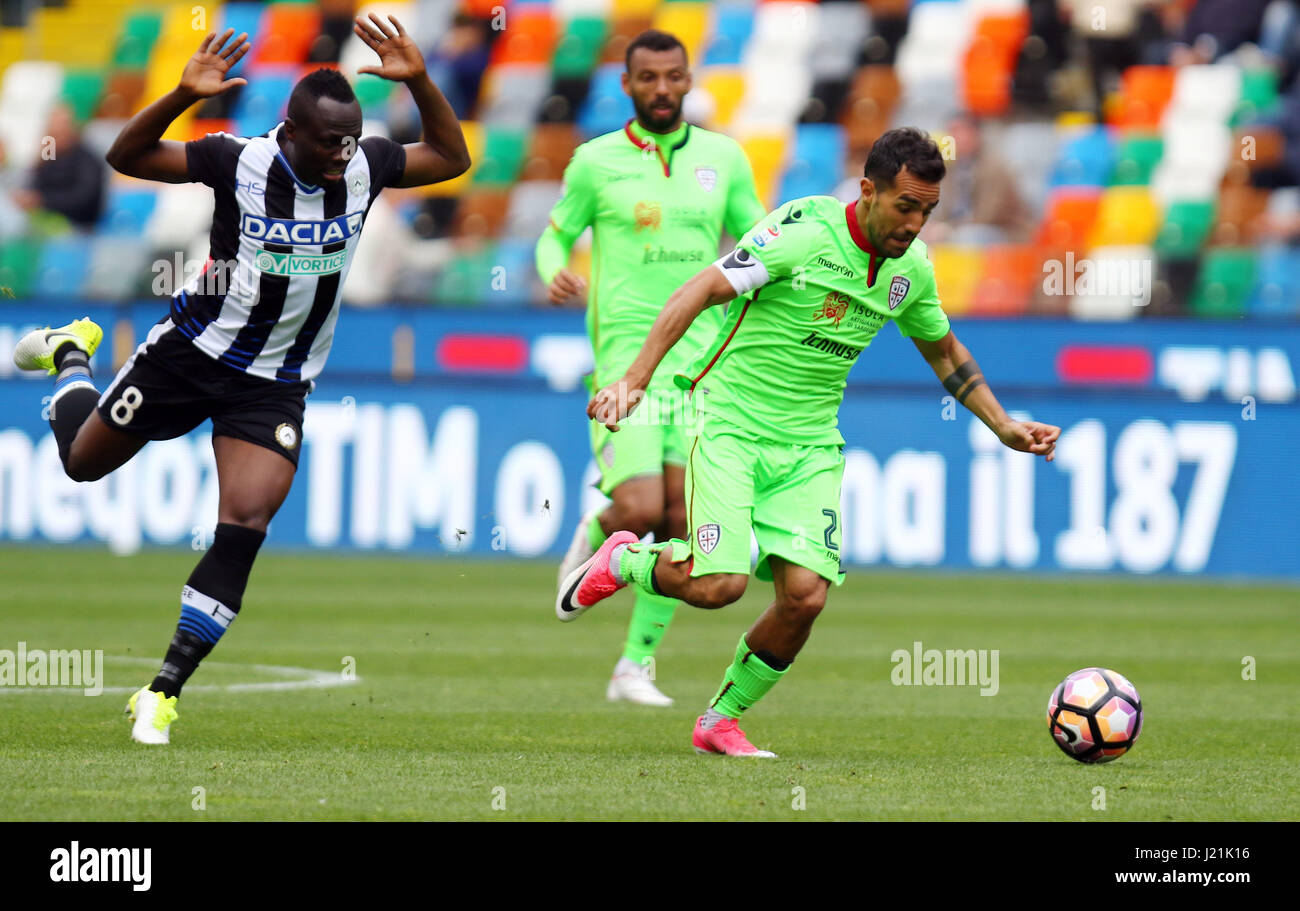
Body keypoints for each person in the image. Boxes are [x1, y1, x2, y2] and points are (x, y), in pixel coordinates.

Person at [11, 17, 469, 744]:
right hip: (191, 353)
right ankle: (72, 352)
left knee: (246, 522)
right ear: (291, 131)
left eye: (350, 140)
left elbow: (451, 154)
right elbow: (129, 156)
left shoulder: (366, 167)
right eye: (328, 141)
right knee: (81, 463)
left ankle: (162, 690)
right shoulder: (237, 160)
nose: (341, 154)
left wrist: (417, 79)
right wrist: (179, 96)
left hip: (274, 382)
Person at [559, 128, 1060, 756]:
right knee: (720, 587)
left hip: (810, 448)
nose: (915, 223)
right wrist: (635, 381)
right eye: (906, 206)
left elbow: (945, 352)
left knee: (805, 597)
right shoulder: (802, 229)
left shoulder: (911, 270)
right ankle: (625, 560)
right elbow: (701, 288)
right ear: (869, 190)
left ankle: (720, 721)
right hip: (729, 425)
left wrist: (1003, 423)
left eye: (928, 211)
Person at [536, 29, 765, 706]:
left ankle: (633, 665)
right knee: (639, 507)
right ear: (627, 85)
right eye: (648, 78)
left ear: (689, 79)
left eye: (673, 76)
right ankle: (598, 527)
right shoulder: (594, 162)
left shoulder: (724, 158)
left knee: (685, 524)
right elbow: (555, 234)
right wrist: (555, 272)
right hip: (625, 364)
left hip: (700, 364)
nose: (661, 88)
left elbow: (755, 236)